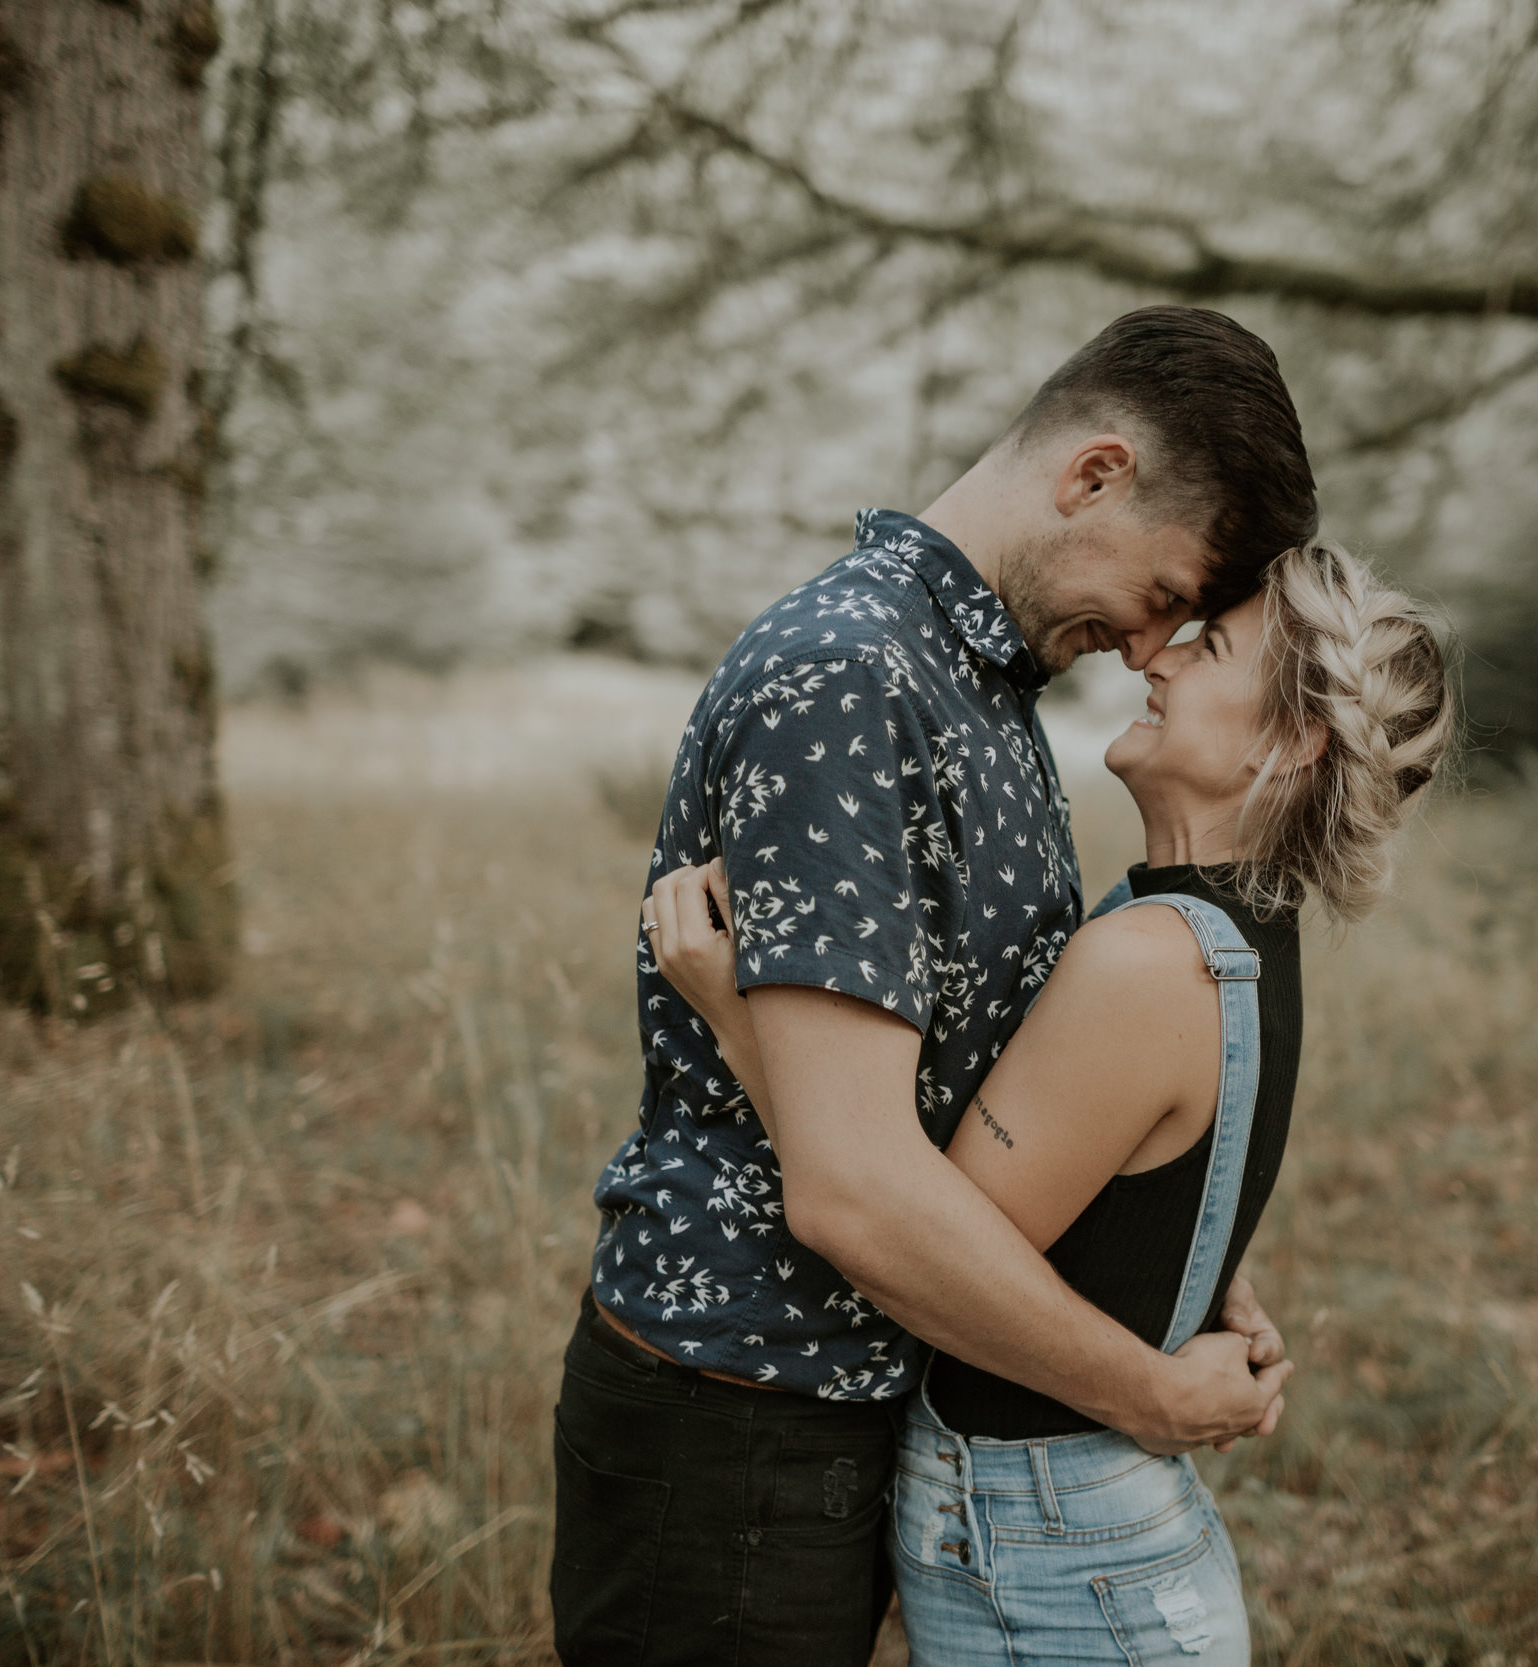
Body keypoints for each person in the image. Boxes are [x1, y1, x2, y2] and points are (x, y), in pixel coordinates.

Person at [551, 306, 1320, 1666]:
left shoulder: (976, 687)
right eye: (1163, 597)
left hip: (860, 1401)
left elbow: (995, 1081)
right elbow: (849, 1183)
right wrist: (1147, 1388)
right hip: (742, 1403)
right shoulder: (856, 677)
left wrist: (1190, 1265)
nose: (1151, 649)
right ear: (1094, 474)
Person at [646, 539, 1454, 1663]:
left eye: (1209, 644)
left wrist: (739, 1024)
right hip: (1088, 1553)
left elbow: (920, 1246)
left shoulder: (1145, 957)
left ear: (1289, 739)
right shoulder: (1228, 937)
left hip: (1061, 1566)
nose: (1157, 660)